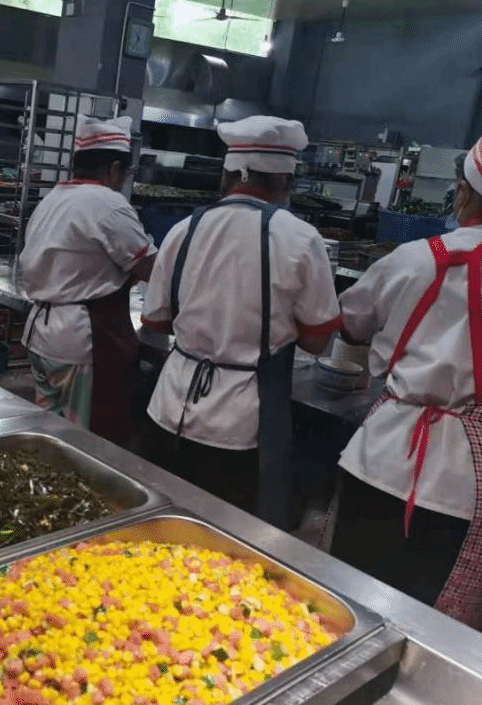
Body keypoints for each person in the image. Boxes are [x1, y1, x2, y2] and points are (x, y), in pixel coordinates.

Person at [328, 115, 482, 636]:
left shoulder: (413, 259)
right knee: (438, 631)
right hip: (476, 479)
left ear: (463, 192)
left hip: (379, 459)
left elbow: (351, 325)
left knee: (348, 603)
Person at [141, 116, 340, 529]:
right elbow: (319, 341)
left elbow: (156, 323)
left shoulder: (183, 230)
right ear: (283, 180)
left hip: (170, 409)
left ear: (228, 176)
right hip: (243, 424)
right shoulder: (301, 238)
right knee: (226, 539)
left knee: (161, 525)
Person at [19, 116, 156, 445]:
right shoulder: (109, 204)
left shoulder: (52, 199)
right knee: (83, 441)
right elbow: (152, 270)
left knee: (49, 434)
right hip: (80, 342)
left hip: (40, 335)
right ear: (114, 168)